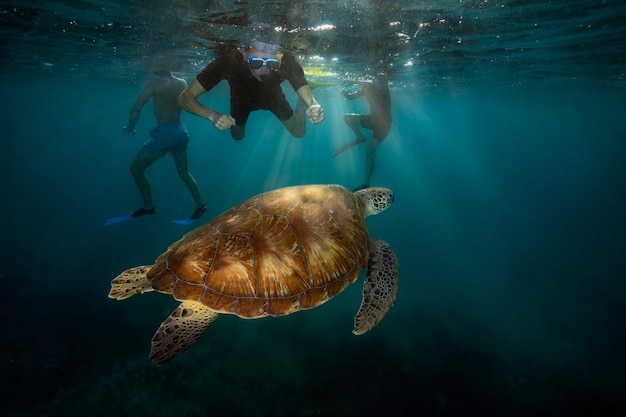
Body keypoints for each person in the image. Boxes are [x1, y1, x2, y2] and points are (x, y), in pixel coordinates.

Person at [178, 41, 324, 140]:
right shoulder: (229, 61)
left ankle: (301, 100)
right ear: (243, 52)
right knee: (237, 136)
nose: (264, 70)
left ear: (278, 56)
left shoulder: (286, 60)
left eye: (271, 64)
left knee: (299, 133)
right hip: (241, 101)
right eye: (256, 62)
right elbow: (184, 97)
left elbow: (307, 94)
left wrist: (312, 105)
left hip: (273, 98)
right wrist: (213, 116)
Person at [122, 70, 207, 220]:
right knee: (184, 172)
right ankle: (200, 205)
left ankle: (149, 206)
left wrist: (130, 127)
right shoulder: (181, 82)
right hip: (180, 131)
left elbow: (137, 108)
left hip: (164, 133)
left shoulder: (154, 83)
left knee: (136, 168)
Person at [334, 74, 391, 191]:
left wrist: (352, 80)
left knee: (369, 152)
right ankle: (366, 182)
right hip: (380, 123)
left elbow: (373, 84)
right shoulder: (368, 87)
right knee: (369, 152)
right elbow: (350, 97)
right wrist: (344, 91)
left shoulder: (381, 86)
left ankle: (366, 182)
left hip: (383, 123)